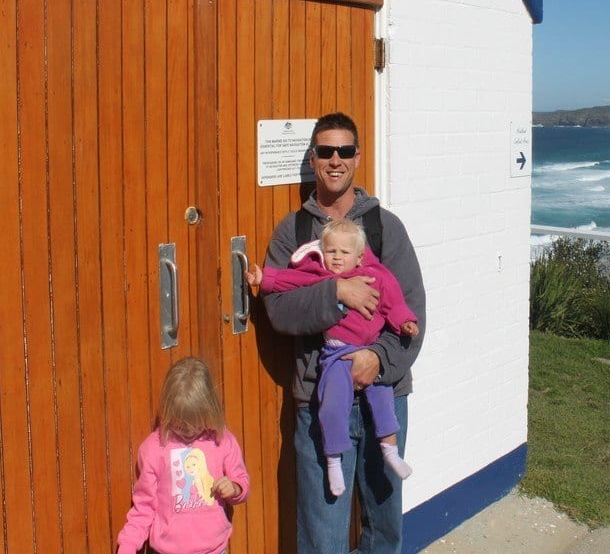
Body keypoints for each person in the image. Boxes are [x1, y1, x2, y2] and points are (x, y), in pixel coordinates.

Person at [262, 112, 426, 554]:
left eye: (345, 151)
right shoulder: (291, 232)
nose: (336, 160)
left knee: (384, 525)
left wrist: (378, 359)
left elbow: (411, 312)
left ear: (357, 157)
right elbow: (278, 308)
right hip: (317, 397)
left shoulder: (384, 227)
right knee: (322, 533)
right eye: (326, 151)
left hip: (385, 395)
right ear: (313, 159)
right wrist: (337, 292)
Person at [247, 218, 419, 497]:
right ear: (322, 252)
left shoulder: (377, 276)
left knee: (383, 397)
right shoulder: (321, 276)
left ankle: (390, 450)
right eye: (331, 252)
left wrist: (406, 322)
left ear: (360, 257)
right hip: (337, 355)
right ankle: (333, 460)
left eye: (344, 253)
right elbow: (288, 281)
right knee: (333, 404)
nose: (337, 258)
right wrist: (263, 278)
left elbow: (395, 304)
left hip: (371, 351)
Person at [117, 357, 250, 554]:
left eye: (196, 423)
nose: (188, 431)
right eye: (180, 424)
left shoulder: (222, 440)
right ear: (168, 411)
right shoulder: (154, 448)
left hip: (214, 550)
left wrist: (235, 488)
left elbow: (242, 483)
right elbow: (143, 506)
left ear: (209, 410)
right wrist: (127, 546)